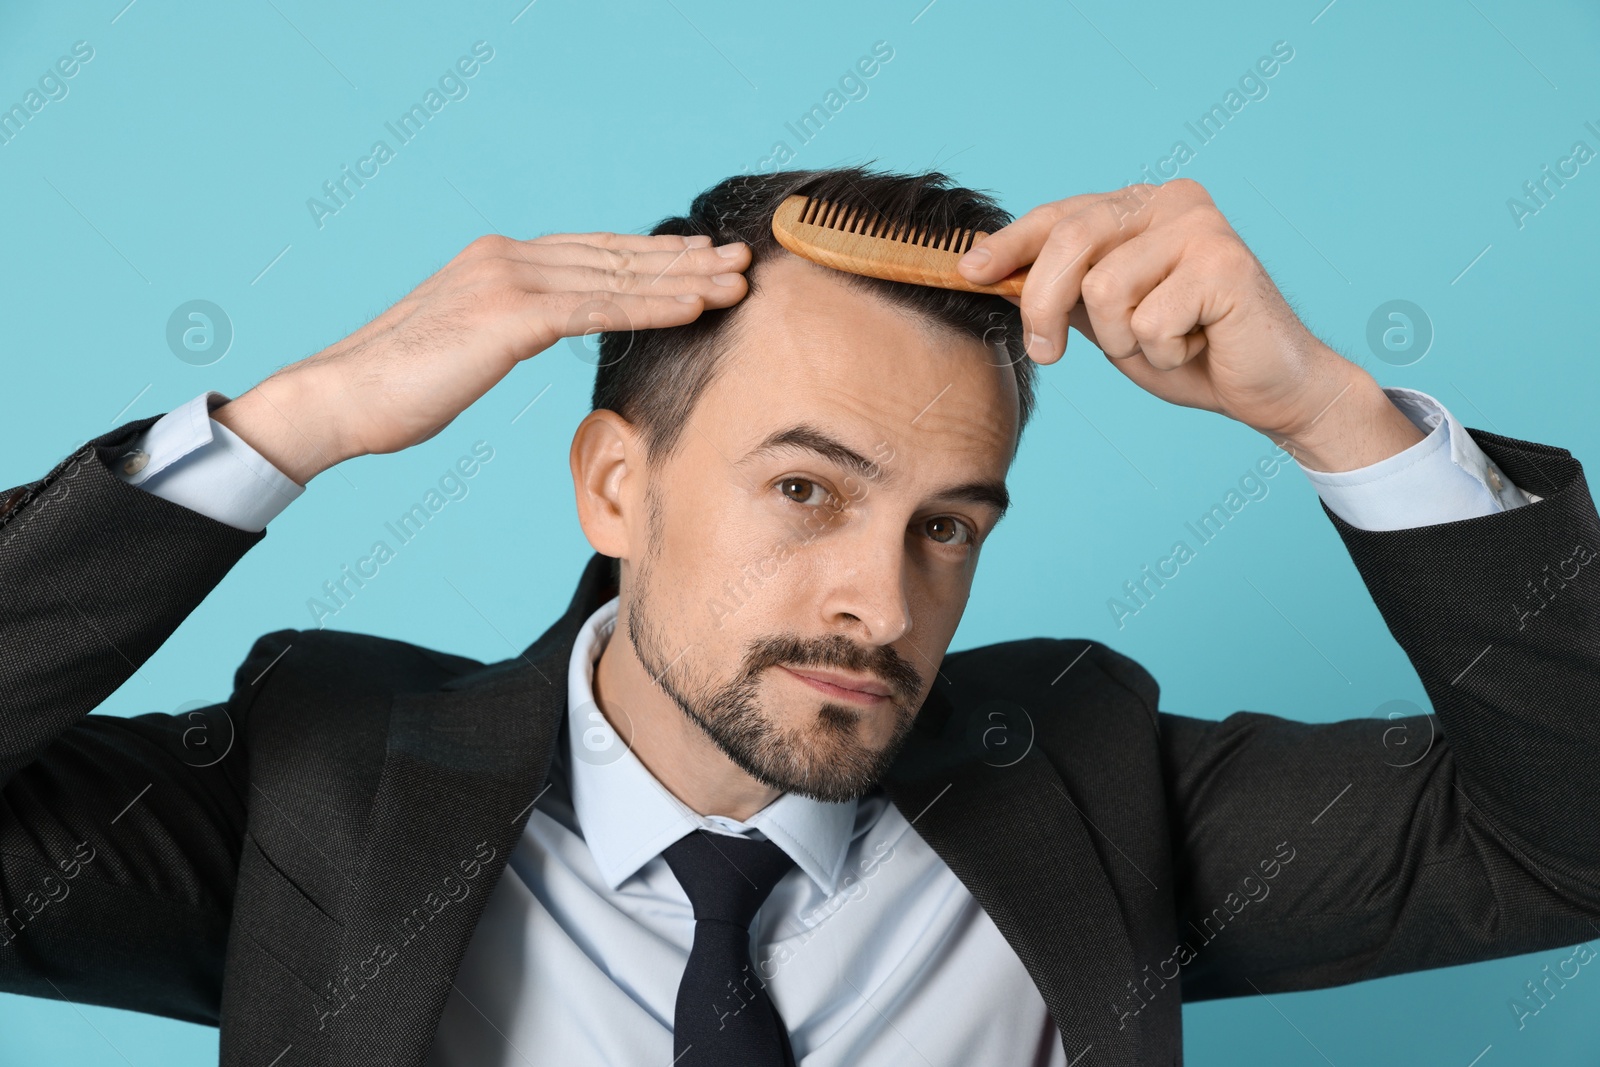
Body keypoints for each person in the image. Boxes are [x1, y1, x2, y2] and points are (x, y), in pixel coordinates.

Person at [2, 166, 1597, 1067]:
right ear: (616, 488)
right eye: (807, 492)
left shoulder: (1094, 788)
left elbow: (1573, 839)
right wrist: (294, 422)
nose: (879, 597)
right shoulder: (321, 788)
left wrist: (1332, 415)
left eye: (948, 523)